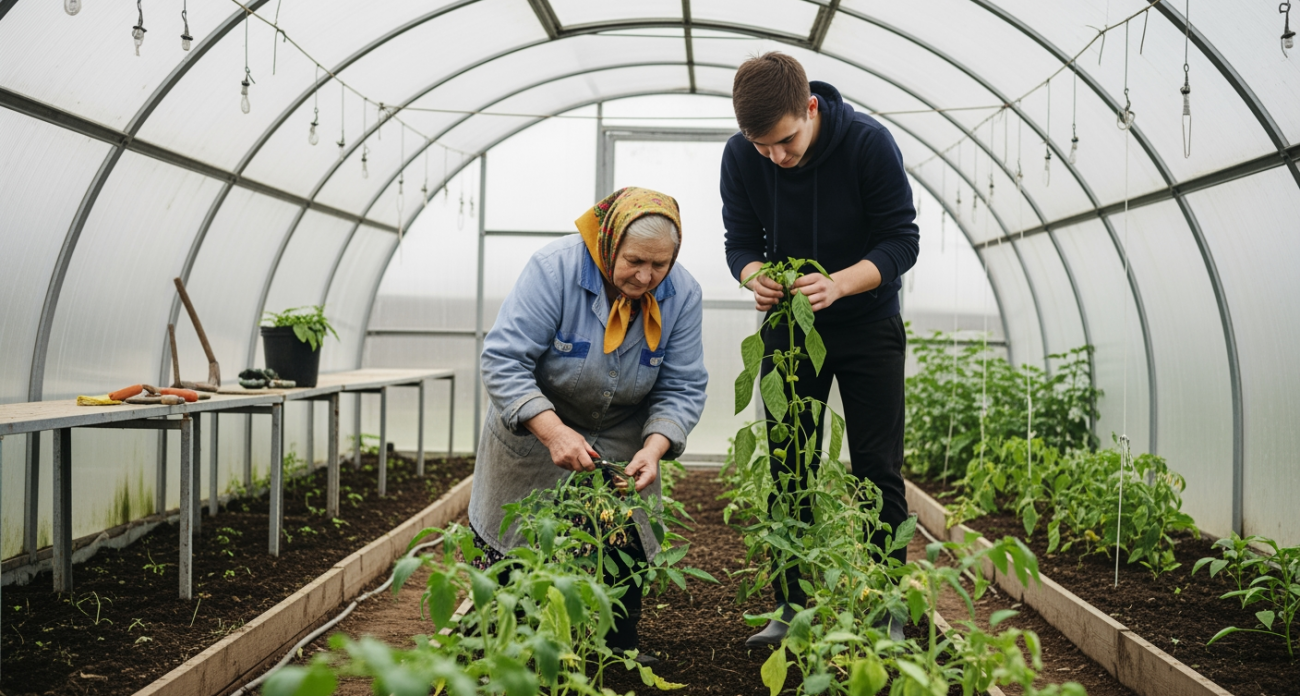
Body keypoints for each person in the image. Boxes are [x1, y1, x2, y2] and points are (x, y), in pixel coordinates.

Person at [719, 52, 920, 645]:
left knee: (876, 469)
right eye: (762, 148)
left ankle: (887, 604)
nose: (776, 158)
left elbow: (900, 241)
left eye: (785, 141)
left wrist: (839, 283)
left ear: (810, 108)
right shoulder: (740, 155)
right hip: (788, 330)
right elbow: (739, 242)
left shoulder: (867, 143)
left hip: (868, 327)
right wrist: (753, 275)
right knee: (789, 466)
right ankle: (791, 607)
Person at [468, 187, 708, 662]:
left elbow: (682, 384)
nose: (646, 277)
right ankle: (503, 649)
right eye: (635, 261)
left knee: (620, 543)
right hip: (535, 430)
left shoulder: (683, 293)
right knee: (519, 547)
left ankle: (614, 652)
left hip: (621, 432)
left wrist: (655, 447)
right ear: (608, 242)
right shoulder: (553, 269)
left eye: (660, 265)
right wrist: (553, 431)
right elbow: (503, 360)